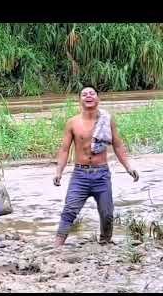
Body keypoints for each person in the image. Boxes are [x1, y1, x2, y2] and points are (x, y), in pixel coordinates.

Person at [53, 85, 139, 247]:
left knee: (107, 214)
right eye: (84, 94)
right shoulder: (72, 123)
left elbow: (118, 145)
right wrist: (59, 172)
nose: (88, 96)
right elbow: (64, 149)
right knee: (69, 211)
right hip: (80, 175)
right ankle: (57, 246)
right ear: (80, 100)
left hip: (102, 175)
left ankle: (105, 244)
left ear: (98, 98)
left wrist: (129, 167)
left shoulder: (107, 120)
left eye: (92, 93)